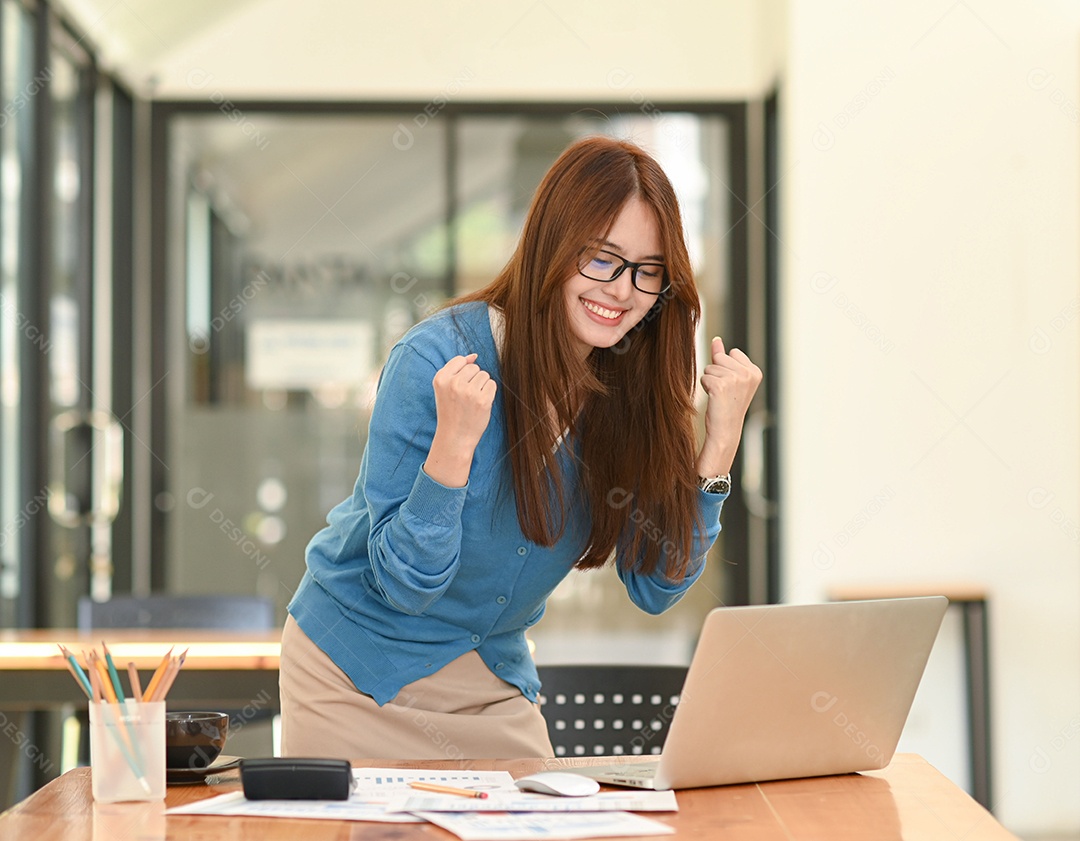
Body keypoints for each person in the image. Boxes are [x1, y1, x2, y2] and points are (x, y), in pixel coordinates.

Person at [279, 135, 762, 760]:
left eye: (648, 270)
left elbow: (655, 587)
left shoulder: (632, 389)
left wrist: (719, 446)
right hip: (354, 675)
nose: (622, 290)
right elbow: (404, 584)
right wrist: (453, 450)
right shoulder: (436, 358)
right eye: (602, 259)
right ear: (552, 245)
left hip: (492, 683)